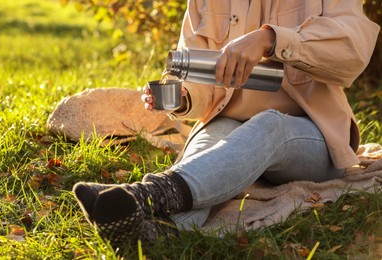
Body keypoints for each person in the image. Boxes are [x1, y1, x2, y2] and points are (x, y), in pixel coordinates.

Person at [73, 0, 380, 248]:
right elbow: (194, 73)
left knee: (269, 124)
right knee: (205, 150)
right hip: (229, 123)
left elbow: (354, 49)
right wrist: (183, 96)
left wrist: (270, 39)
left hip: (312, 135)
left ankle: (146, 194)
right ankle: (153, 235)